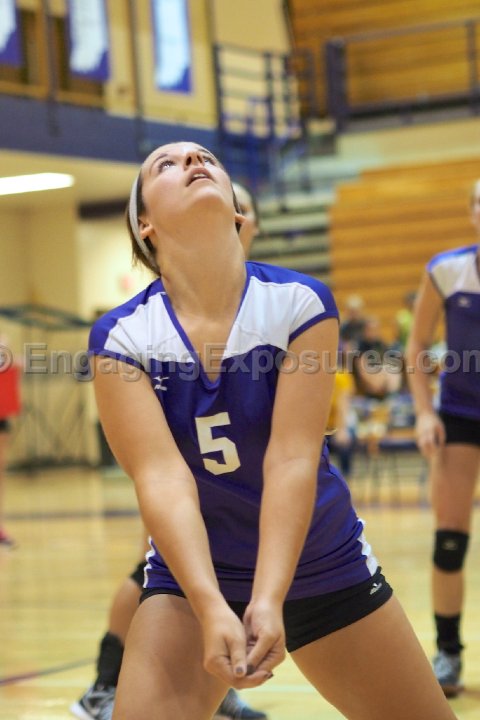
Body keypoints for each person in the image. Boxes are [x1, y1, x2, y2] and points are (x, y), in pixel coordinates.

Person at [88, 141, 456, 720]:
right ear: (145, 224)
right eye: (167, 165)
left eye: (206, 158)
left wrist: (267, 596)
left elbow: (291, 459)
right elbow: (162, 479)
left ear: (238, 211)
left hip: (322, 560)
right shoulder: (121, 337)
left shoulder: (298, 303)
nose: (194, 163)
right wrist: (210, 604)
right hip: (195, 577)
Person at [71, 182, 266, 720]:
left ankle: (217, 686)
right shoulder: (153, 317)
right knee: (150, 566)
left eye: (245, 207)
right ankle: (103, 683)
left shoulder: (275, 302)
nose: (239, 213)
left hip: (244, 489)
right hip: (181, 474)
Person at [406, 178, 480, 699]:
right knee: (449, 538)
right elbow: (415, 347)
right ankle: (448, 652)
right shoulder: (446, 270)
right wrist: (423, 412)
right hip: (459, 416)